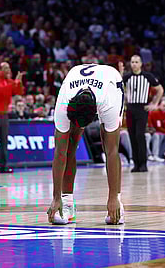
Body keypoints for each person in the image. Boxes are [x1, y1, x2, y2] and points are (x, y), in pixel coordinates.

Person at [47, 64, 125, 225]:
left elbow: (112, 152)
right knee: (69, 146)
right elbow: (59, 153)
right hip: (76, 77)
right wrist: (55, 197)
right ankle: (67, 202)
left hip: (111, 81)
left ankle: (116, 202)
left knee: (109, 145)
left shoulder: (109, 100)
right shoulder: (64, 101)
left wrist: (112, 198)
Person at [122, 55, 164, 172]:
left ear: (141, 64)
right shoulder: (127, 77)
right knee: (132, 136)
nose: (134, 64)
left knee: (140, 135)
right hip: (130, 108)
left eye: (136, 62)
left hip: (142, 108)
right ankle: (136, 164)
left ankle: (143, 163)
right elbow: (117, 86)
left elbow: (160, 90)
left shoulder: (147, 76)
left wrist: (154, 104)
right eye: (132, 62)